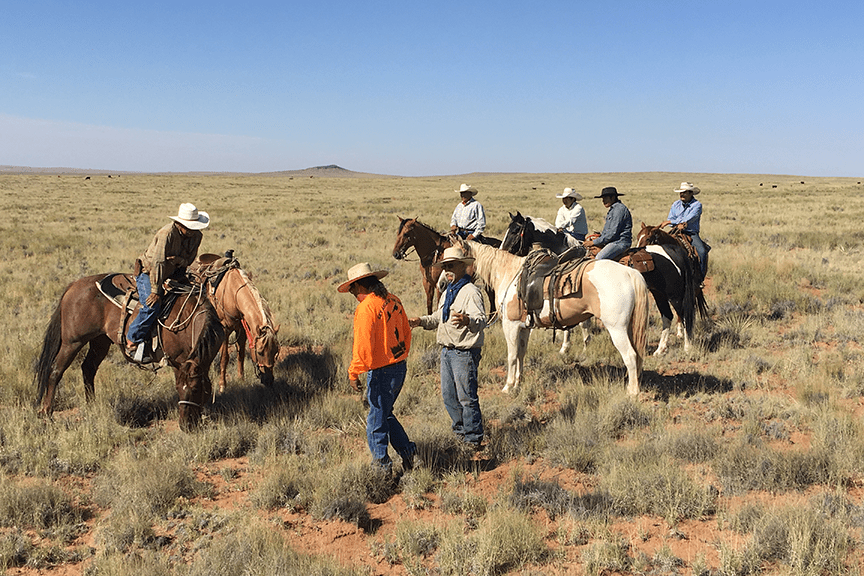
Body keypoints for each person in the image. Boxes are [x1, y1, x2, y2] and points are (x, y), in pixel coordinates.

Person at [338, 262, 415, 473]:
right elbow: (406, 332)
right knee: (385, 414)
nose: (353, 294)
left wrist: (354, 372)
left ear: (360, 286)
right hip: (399, 366)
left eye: (352, 289)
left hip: (382, 371)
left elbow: (362, 346)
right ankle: (409, 453)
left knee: (375, 421)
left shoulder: (366, 308)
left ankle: (382, 470)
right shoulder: (393, 300)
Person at [408, 246, 486, 450]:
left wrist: (468, 319)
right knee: (449, 396)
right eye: (445, 266)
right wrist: (421, 321)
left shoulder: (471, 292)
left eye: (451, 265)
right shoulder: (448, 292)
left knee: (466, 397)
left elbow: (481, 320)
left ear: (462, 266)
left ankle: (473, 438)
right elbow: (438, 318)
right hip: (447, 351)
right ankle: (460, 433)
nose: (447, 269)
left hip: (464, 352)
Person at [126, 203, 209, 361]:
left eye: (194, 227)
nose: (192, 231)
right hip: (149, 272)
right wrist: (156, 291)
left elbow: (190, 259)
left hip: (176, 271)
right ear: (179, 224)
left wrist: (178, 260)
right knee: (152, 305)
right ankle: (132, 339)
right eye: (189, 227)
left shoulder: (197, 236)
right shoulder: (167, 234)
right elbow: (158, 263)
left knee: (199, 297)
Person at [660, 182, 709, 281]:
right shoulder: (676, 204)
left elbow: (689, 218)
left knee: (702, 252)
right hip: (676, 231)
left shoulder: (697, 205)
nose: (681, 194)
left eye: (684, 192)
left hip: (691, 233)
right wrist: (675, 223)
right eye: (680, 192)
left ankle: (700, 278)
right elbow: (671, 218)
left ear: (691, 193)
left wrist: (672, 222)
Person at [583, 186, 632, 260]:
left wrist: (594, 242)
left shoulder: (618, 210)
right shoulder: (613, 209)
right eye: (603, 199)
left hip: (619, 242)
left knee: (598, 259)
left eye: (605, 198)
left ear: (613, 197)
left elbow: (612, 234)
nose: (603, 201)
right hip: (613, 242)